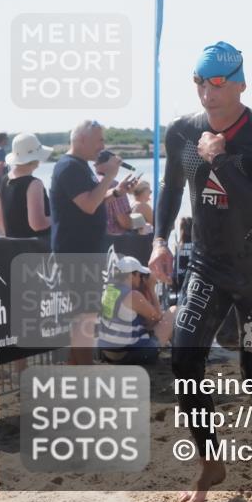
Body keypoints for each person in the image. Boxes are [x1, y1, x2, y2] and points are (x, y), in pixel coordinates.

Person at [148, 41, 252, 502]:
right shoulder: (181, 132)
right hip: (208, 262)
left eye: (217, 82)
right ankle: (211, 460)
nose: (207, 92)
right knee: (185, 358)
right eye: (199, 81)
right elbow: (170, 189)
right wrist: (159, 241)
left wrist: (219, 159)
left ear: (240, 84)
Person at [50, 121, 123, 366]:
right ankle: (83, 370)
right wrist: (110, 175)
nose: (103, 145)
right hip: (76, 251)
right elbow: (89, 205)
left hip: (87, 250)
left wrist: (116, 192)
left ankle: (77, 368)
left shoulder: (80, 166)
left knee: (87, 313)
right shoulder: (69, 167)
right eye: (99, 140)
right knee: (84, 314)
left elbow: (93, 200)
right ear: (81, 140)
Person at [98, 250, 176, 365]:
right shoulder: (132, 296)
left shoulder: (109, 290)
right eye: (139, 275)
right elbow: (158, 317)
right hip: (128, 357)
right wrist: (151, 289)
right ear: (131, 275)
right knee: (174, 311)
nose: (141, 279)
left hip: (108, 354)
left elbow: (147, 323)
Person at [0, 133, 51, 239]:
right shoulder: (34, 184)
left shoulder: (4, 180)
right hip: (35, 249)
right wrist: (58, 216)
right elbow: (37, 224)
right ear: (35, 158)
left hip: (14, 249)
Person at [94, 153, 139, 236]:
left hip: (95, 236)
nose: (118, 167)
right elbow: (125, 223)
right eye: (117, 163)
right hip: (113, 240)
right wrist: (141, 222)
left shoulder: (89, 181)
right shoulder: (114, 185)